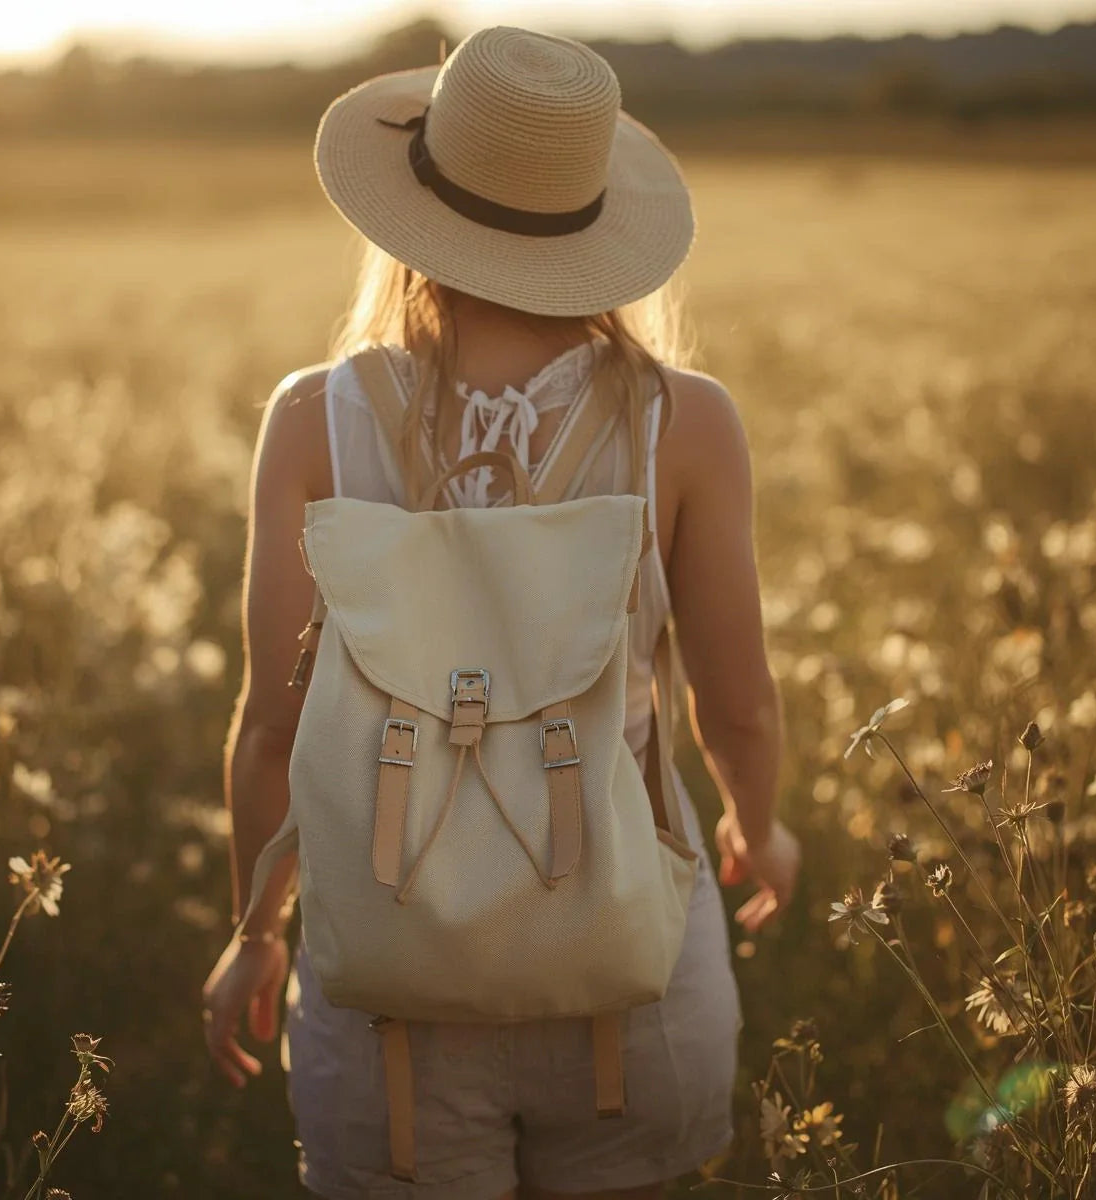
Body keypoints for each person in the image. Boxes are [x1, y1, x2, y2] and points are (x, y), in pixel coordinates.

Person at [203, 25, 799, 1200]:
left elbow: (272, 724)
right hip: (630, 985)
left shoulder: (312, 419)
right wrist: (760, 823)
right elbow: (738, 704)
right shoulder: (688, 423)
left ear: (413, 214)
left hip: (387, 998)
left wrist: (256, 931)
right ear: (595, 226)